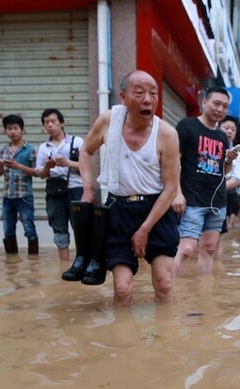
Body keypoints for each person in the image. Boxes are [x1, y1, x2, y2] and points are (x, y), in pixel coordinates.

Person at [77, 70, 180, 305]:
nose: (148, 99)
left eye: (153, 94)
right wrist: (88, 188)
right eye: (140, 93)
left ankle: (166, 338)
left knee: (164, 283)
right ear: (123, 97)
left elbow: (171, 189)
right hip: (118, 210)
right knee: (122, 289)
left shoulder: (167, 134)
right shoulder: (108, 122)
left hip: (157, 211)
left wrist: (144, 229)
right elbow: (85, 151)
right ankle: (122, 340)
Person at [171, 87, 240, 276]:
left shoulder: (222, 137)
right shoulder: (187, 126)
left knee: (209, 248)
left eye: (225, 106)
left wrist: (229, 161)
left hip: (217, 202)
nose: (220, 109)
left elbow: (222, 172)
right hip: (192, 199)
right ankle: (169, 293)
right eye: (216, 103)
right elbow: (173, 161)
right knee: (186, 249)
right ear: (204, 102)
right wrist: (176, 193)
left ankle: (205, 294)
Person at [35, 108, 83, 261]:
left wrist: (67, 163)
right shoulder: (43, 148)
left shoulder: (77, 142)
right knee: (59, 228)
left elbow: (87, 167)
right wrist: (48, 167)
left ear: (61, 123)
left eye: (53, 121)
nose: (49, 125)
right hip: (54, 192)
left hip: (76, 190)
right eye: (46, 123)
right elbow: (40, 175)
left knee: (81, 228)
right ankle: (64, 264)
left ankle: (82, 262)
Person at [0, 114, 39, 255]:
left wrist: (18, 166)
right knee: (8, 231)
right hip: (7, 196)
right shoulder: (2, 150)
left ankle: (33, 263)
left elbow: (37, 172)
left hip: (24, 196)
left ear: (22, 130)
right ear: (5, 131)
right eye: (9, 129)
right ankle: (11, 263)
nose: (12, 132)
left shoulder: (30, 150)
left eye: (15, 128)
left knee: (29, 230)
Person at [221, 117, 240, 231]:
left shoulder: (236, 154)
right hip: (196, 198)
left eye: (233, 129)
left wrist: (216, 188)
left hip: (222, 195)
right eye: (226, 128)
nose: (229, 131)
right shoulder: (206, 144)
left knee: (216, 237)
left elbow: (237, 178)